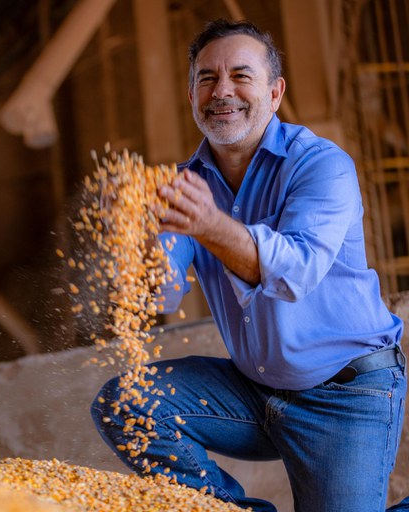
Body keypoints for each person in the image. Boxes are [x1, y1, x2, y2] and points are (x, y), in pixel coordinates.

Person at [90, 18, 409, 512]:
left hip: (345, 394)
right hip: (254, 392)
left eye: (241, 76)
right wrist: (129, 233)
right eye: (207, 79)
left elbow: (296, 272)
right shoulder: (183, 186)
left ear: (275, 92)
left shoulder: (322, 165)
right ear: (191, 94)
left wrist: (209, 224)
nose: (222, 92)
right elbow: (160, 294)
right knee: (129, 404)